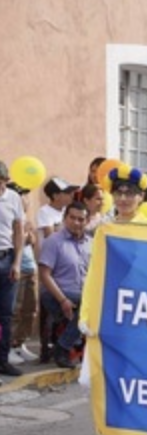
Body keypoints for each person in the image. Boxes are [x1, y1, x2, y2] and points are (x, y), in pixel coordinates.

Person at [93, 164, 147, 435]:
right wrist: (86, 313)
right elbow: (94, 273)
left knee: (123, 379)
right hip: (105, 308)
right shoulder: (105, 225)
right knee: (92, 379)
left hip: (133, 311)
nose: (123, 197)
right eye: (118, 192)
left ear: (140, 196)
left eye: (130, 193)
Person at [38, 201, 91, 369]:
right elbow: (44, 275)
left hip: (82, 293)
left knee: (98, 304)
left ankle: (72, 345)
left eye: (81, 219)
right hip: (56, 293)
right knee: (87, 307)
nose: (76, 222)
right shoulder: (54, 241)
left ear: (87, 221)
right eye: (72, 218)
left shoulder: (90, 243)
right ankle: (63, 347)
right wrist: (62, 300)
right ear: (64, 218)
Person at [0, 160, 26, 379]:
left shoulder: (13, 198)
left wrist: (17, 262)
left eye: (1, 181)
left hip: (7, 257)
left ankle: (3, 360)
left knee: (6, 314)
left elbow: (19, 231)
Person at [8, 183, 39, 366]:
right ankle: (9, 345)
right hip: (17, 267)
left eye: (26, 195)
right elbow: (14, 240)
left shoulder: (26, 218)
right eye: (22, 195)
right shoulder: (11, 215)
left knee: (30, 310)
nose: (25, 199)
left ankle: (20, 343)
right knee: (14, 310)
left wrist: (30, 237)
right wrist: (26, 237)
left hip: (30, 267)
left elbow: (32, 241)